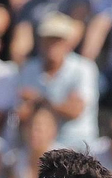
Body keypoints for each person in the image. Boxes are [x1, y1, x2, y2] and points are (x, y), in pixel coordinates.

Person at [17, 14, 101, 151]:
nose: (52, 45)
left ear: (68, 43)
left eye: (58, 40)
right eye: (48, 39)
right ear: (40, 41)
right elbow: (23, 111)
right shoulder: (29, 68)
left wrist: (39, 100)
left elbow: (75, 111)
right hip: (39, 145)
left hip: (78, 145)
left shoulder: (84, 68)